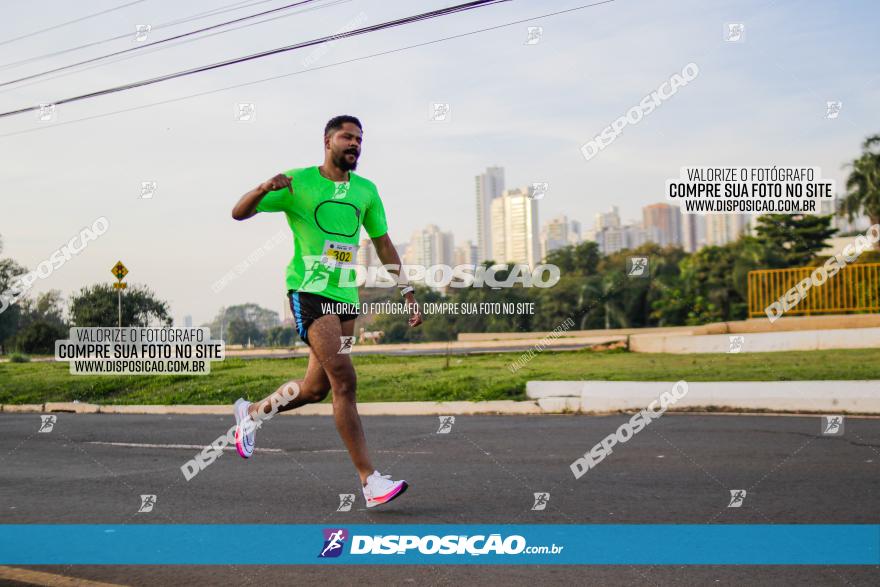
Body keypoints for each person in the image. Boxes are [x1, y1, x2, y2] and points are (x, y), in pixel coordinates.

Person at [230, 115, 422, 508]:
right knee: (345, 382)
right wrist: (263, 187)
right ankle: (370, 481)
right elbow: (239, 212)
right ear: (328, 140)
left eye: (360, 139)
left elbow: (383, 244)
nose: (355, 144)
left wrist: (407, 291)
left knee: (316, 388)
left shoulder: (366, 191)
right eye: (347, 137)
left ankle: (250, 413)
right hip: (309, 291)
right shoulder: (298, 181)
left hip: (345, 296)